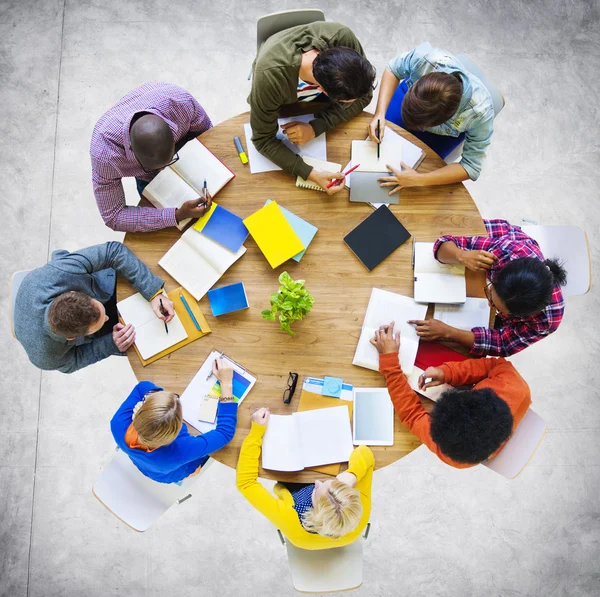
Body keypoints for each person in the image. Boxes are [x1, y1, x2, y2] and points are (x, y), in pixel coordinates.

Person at [373, 322, 531, 468]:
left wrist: (390, 362)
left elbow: (412, 415)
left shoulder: (450, 449)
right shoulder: (514, 385)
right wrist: (447, 373)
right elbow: (493, 364)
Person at [249, 21, 376, 195]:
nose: (354, 102)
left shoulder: (344, 37)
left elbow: (366, 95)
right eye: (347, 102)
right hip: (281, 100)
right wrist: (310, 173)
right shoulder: (270, 78)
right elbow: (262, 140)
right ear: (323, 90)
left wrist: (316, 128)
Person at [408, 219, 567, 357]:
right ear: (498, 273)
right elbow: (443, 242)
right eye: (490, 294)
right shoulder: (505, 252)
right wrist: (461, 255)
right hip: (502, 234)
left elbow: (503, 344)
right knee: (466, 224)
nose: (489, 303)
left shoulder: (548, 320)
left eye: (497, 307)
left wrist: (449, 332)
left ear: (520, 316)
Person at [13, 242, 174, 374]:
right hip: (105, 336)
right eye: (101, 320)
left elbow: (113, 251)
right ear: (72, 339)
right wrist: (110, 343)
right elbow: (73, 362)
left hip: (104, 287)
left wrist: (153, 292)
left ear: (73, 292)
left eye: (101, 314)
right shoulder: (45, 357)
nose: (107, 318)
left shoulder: (61, 271)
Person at [236, 407, 374, 549]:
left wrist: (256, 433)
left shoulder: (288, 517)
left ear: (315, 513)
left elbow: (246, 483)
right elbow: (365, 452)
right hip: (341, 538)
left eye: (317, 490)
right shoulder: (358, 509)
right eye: (333, 482)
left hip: (301, 538)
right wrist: (352, 475)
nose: (317, 481)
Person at [368, 42, 495, 193]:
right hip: (412, 105)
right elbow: (393, 69)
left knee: (416, 176)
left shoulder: (480, 113)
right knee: (374, 138)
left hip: (445, 135)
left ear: (441, 122)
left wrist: (419, 179)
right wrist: (379, 113)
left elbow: (471, 166)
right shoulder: (426, 59)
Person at [91, 81, 213, 232]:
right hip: (148, 181)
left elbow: (209, 136)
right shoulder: (105, 154)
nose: (165, 171)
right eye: (155, 167)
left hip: (187, 154)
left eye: (168, 160)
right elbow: (113, 216)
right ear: (131, 149)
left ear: (172, 129)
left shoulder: (181, 103)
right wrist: (177, 215)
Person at [110, 359, 238, 483]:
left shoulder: (118, 423)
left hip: (150, 467)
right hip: (171, 471)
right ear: (178, 429)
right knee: (196, 466)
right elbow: (225, 433)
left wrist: (151, 398)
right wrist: (226, 383)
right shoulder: (181, 449)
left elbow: (142, 386)